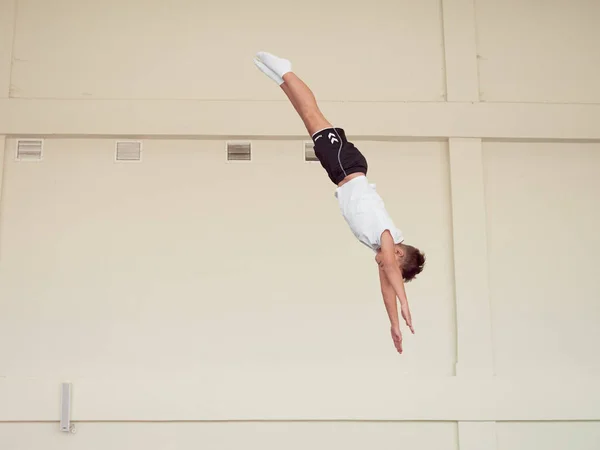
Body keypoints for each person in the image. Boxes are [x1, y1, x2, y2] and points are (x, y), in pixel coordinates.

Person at [254, 51, 425, 354]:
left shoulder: (378, 245)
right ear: (397, 253)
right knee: (312, 115)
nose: (383, 266)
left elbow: (386, 285)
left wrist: (394, 323)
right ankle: (287, 73)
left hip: (342, 171)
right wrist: (406, 306)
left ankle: (282, 80)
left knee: (310, 119)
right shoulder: (386, 235)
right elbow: (390, 273)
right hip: (348, 168)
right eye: (390, 264)